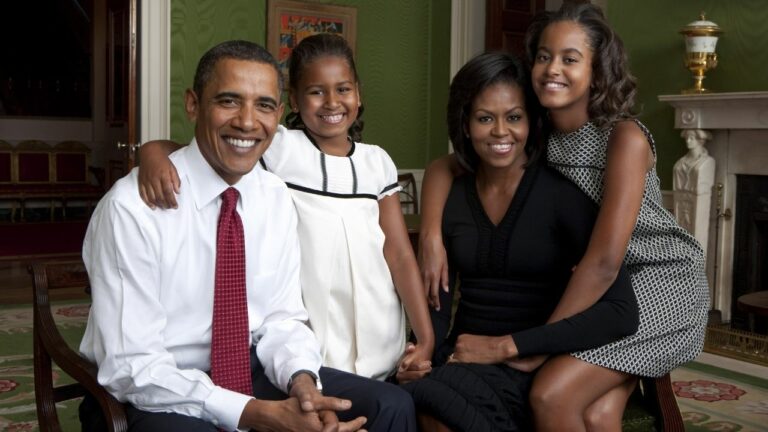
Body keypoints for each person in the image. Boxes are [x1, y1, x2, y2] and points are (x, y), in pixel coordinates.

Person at [78, 39, 416, 432]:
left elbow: (282, 319)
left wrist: (302, 384)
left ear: (279, 112)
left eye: (264, 105)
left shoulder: (273, 196)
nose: (247, 121)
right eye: (228, 101)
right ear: (192, 104)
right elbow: (131, 367)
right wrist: (258, 414)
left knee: (392, 406)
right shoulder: (132, 209)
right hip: (156, 389)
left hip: (249, 366)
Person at [419, 3, 709, 430]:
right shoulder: (539, 132)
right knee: (599, 411)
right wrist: (430, 234)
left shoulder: (623, 139)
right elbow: (445, 166)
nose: (553, 68)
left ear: (598, 69)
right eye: (543, 56)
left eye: (570, 59)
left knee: (550, 392)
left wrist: (535, 344)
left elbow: (606, 261)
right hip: (603, 285)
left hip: (659, 282)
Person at [136, 33, 433, 384]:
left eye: (343, 89)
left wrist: (425, 338)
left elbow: (398, 253)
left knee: (385, 402)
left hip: (378, 317)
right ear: (292, 100)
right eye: (316, 91)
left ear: (358, 94)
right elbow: (204, 150)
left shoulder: (377, 162)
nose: (332, 102)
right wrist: (151, 152)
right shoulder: (279, 147)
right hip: (312, 326)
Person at [401, 51, 638, 432]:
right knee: (411, 396)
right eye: (484, 118)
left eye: (513, 117)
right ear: (464, 124)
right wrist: (419, 351)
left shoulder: (562, 196)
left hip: (529, 362)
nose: (500, 132)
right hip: (464, 354)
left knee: (436, 405)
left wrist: (519, 345)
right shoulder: (453, 194)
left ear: (531, 121)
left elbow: (621, 311)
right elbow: (438, 299)